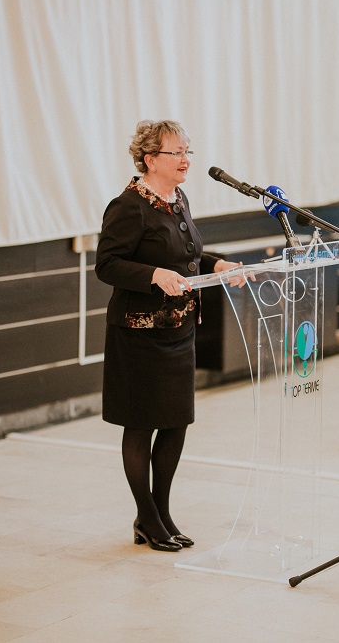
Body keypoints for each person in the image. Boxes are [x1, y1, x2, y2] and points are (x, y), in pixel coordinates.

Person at [95, 119, 245, 552]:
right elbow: (107, 264)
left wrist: (218, 264)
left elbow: (187, 255)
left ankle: (161, 513)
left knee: (176, 423)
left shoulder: (178, 199)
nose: (185, 160)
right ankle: (146, 516)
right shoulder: (128, 206)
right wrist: (153, 274)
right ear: (150, 159)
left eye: (187, 152)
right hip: (139, 334)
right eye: (176, 152)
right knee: (141, 425)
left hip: (179, 331)